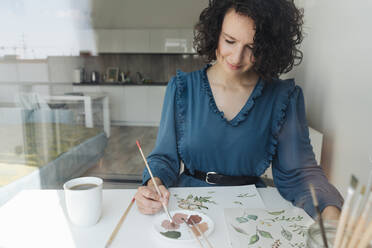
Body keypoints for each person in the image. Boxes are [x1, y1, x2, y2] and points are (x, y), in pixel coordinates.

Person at [134, 0, 343, 219]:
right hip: (187, 207)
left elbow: (300, 174)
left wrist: (331, 213)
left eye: (252, 48)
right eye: (230, 41)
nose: (236, 57)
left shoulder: (284, 97)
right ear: (215, 34)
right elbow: (164, 159)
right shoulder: (181, 88)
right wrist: (153, 184)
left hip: (251, 213)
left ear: (269, 48)